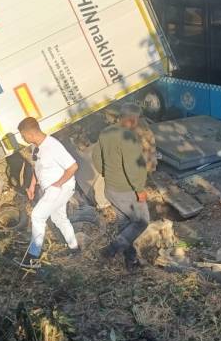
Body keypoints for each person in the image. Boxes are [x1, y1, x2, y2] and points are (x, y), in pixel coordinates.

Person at [92, 103, 151, 270]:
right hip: (127, 190)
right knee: (142, 222)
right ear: (132, 119)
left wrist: (107, 172)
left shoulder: (106, 132)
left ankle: (131, 261)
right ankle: (111, 249)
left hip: (111, 189)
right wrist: (139, 189)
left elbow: (96, 157)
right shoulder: (128, 137)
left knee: (125, 224)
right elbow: (133, 167)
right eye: (138, 120)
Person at [17, 117, 79, 271]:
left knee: (37, 216)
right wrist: (32, 185)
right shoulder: (36, 147)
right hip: (50, 188)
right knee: (59, 218)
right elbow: (38, 168)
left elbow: (73, 167)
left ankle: (33, 258)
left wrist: (57, 185)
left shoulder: (53, 146)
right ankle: (75, 248)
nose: (23, 139)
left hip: (60, 188)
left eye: (23, 136)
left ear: (30, 134)